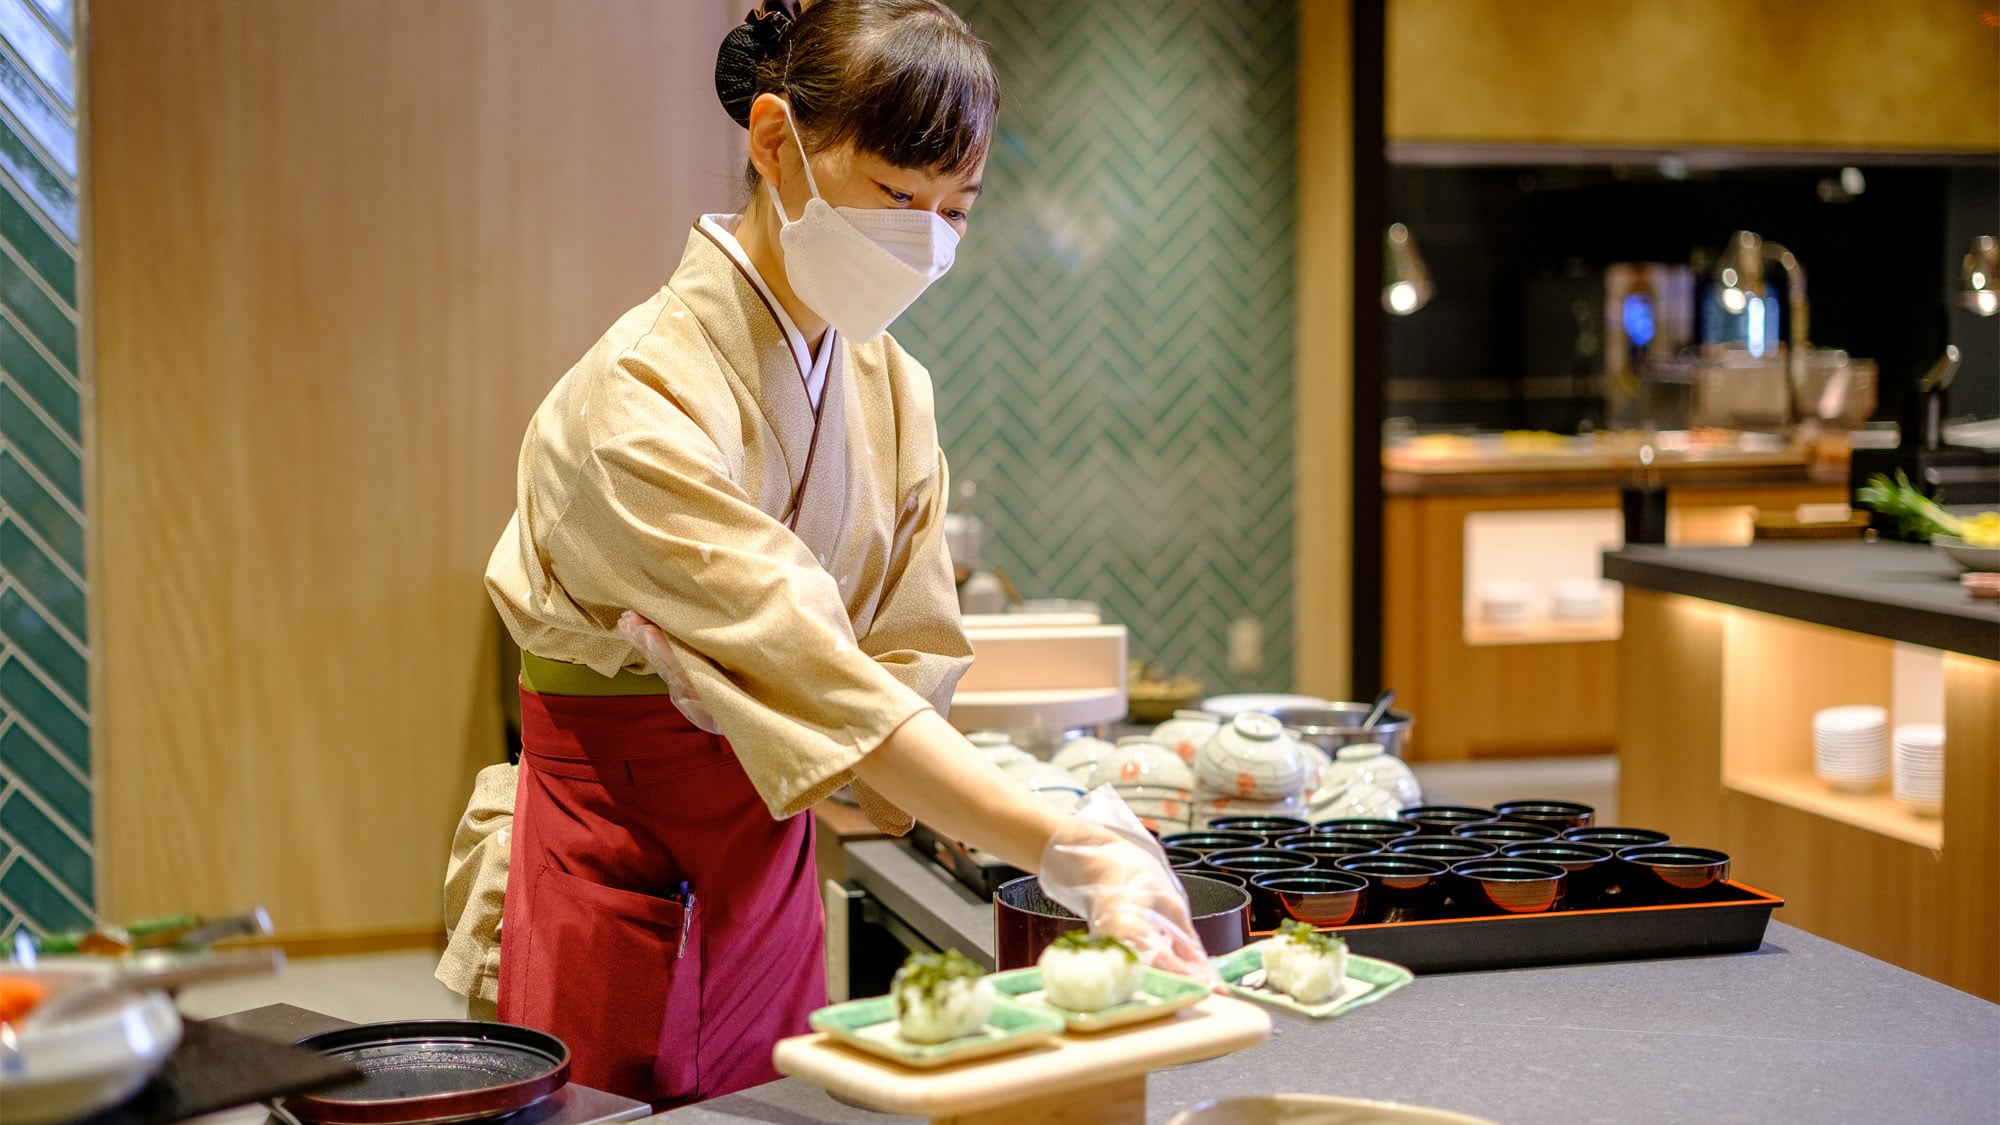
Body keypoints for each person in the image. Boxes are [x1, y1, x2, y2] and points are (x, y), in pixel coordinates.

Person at [465, 0, 1206, 1108]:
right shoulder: (637, 395)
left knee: (782, 1098)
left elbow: (900, 658)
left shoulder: (891, 387)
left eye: (956, 208)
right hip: (613, 836)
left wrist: (998, 798)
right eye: (897, 197)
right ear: (775, 145)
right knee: (611, 1103)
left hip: (771, 834)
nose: (930, 238)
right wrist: (1059, 841)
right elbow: (817, 667)